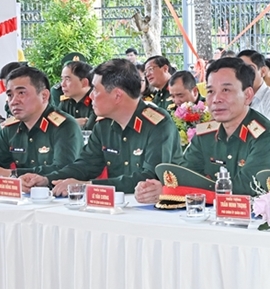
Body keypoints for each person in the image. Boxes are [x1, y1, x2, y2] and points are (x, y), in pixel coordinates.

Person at [135, 58, 270, 201]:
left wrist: (171, 191)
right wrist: (158, 189)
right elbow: (185, 175)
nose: (216, 99)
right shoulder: (206, 134)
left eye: (226, 90)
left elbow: (245, 189)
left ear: (248, 95)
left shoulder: (267, 138)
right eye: (210, 91)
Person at [20, 59, 183, 195]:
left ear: (117, 95)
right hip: (116, 207)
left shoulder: (158, 124)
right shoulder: (104, 125)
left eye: (96, 91)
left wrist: (88, 186)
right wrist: (46, 180)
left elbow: (149, 177)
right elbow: (85, 165)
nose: (91, 96)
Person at [0, 66, 82, 177]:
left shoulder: (64, 126)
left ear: (44, 96)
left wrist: (13, 174)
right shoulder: (10, 128)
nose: (13, 102)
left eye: (21, 93)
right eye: (10, 95)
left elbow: (64, 170)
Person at [58, 61, 97, 130]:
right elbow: (53, 127)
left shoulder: (96, 101)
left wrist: (65, 124)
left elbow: (89, 129)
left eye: (67, 79)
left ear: (84, 83)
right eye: (62, 79)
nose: (62, 84)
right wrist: (74, 122)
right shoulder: (66, 101)